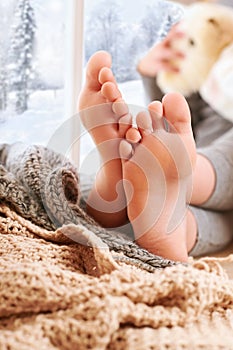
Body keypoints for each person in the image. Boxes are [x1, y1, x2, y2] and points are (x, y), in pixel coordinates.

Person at [78, 49, 233, 263]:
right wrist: (152, 73)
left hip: (206, 157)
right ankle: (173, 227)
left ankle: (122, 195)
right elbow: (177, 116)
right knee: (216, 219)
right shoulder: (213, 62)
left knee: (215, 211)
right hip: (201, 150)